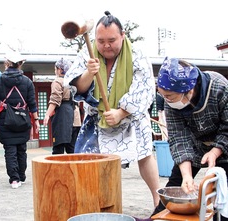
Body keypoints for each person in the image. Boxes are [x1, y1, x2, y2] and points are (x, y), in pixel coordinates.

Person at [64, 11, 160, 208]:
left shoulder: (137, 54)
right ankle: (94, 204)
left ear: (122, 35)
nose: (106, 45)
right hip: (97, 118)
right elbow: (76, 88)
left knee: (144, 155)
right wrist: (89, 74)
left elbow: (145, 88)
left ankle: (158, 201)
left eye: (111, 40)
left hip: (131, 116)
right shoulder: (87, 54)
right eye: (101, 40)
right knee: (90, 162)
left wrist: (121, 112)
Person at [152, 57, 228, 220]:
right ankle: (157, 217)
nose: (167, 99)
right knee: (174, 186)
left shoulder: (219, 87)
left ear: (188, 89)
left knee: (223, 195)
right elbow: (179, 137)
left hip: (224, 146)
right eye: (163, 95)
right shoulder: (171, 100)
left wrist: (215, 151)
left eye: (170, 96)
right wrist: (186, 176)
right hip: (195, 144)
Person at [0, 51, 40, 189]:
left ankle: (14, 179)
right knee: (21, 149)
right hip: (23, 119)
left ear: (7, 64)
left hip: (6, 119)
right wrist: (36, 121)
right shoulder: (27, 82)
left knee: (9, 150)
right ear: (20, 64)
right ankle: (21, 176)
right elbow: (32, 102)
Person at [43, 58, 75, 154]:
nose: (55, 71)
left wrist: (47, 114)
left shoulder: (58, 81)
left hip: (62, 113)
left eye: (55, 69)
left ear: (60, 69)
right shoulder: (72, 81)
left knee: (58, 146)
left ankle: (58, 169)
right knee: (71, 148)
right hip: (72, 112)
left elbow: (55, 100)